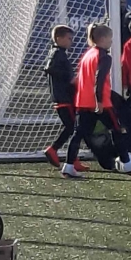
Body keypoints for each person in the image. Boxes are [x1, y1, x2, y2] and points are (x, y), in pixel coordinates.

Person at [73, 24, 131, 174]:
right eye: (110, 38)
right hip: (101, 102)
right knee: (117, 129)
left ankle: (68, 165)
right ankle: (126, 162)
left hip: (84, 101)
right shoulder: (104, 56)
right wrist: (99, 100)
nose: (111, 42)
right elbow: (99, 80)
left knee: (79, 133)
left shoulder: (87, 54)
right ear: (103, 38)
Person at [43, 25, 85, 175]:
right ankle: (54, 149)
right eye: (69, 38)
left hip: (63, 97)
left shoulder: (57, 53)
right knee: (74, 128)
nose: (71, 41)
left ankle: (72, 158)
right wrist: (75, 79)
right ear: (59, 38)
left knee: (72, 128)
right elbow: (49, 68)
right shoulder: (57, 54)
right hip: (64, 98)